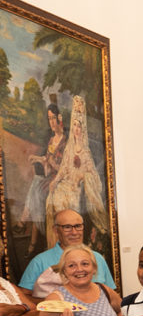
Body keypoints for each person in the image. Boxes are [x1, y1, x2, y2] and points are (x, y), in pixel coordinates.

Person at [44, 96, 108, 251]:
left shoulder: (85, 152)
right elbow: (64, 168)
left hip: (77, 188)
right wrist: (55, 180)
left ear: (82, 129)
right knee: (52, 199)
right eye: (74, 126)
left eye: (79, 126)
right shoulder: (69, 148)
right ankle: (56, 244)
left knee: (69, 205)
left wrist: (83, 177)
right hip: (66, 183)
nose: (76, 130)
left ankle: (69, 244)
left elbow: (94, 176)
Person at [19, 209, 115, 299]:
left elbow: (111, 294)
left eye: (78, 226)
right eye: (67, 227)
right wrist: (53, 304)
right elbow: (25, 297)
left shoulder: (97, 258)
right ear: (56, 230)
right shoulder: (39, 261)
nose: (74, 232)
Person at [20, 103, 66, 256]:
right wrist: (37, 158)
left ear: (59, 118)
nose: (52, 122)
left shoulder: (65, 141)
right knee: (37, 185)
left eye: (54, 118)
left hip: (60, 180)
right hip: (49, 176)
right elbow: (47, 160)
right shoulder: (52, 139)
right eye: (49, 119)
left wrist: (50, 163)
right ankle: (33, 237)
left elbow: (64, 168)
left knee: (37, 189)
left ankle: (25, 220)